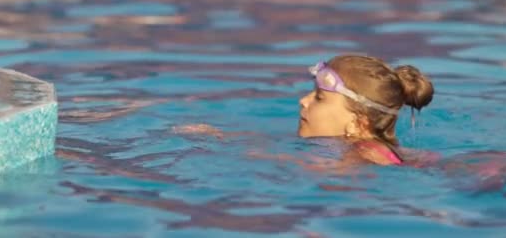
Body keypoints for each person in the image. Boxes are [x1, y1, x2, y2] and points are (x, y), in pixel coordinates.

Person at [175, 54, 435, 166]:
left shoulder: (363, 153)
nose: (303, 100)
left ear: (357, 124)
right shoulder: (385, 150)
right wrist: (222, 138)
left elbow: (321, 172)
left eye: (320, 98)